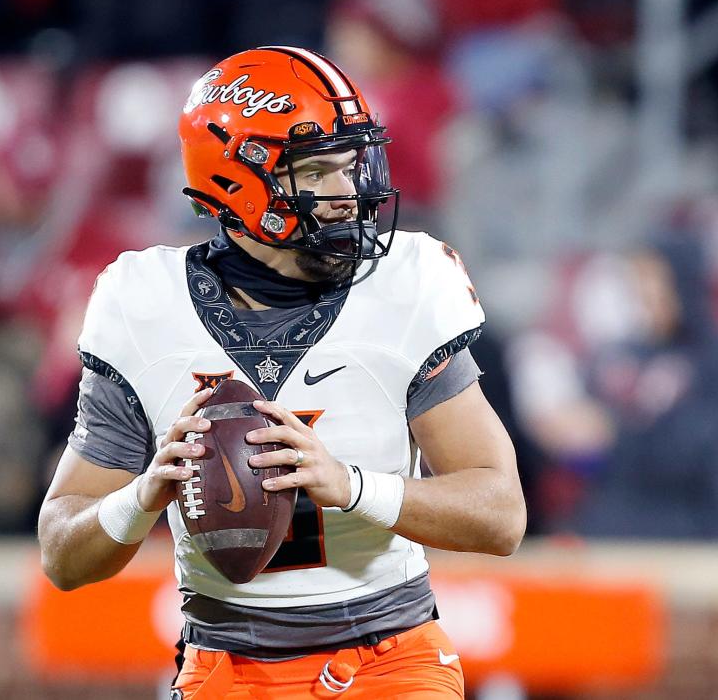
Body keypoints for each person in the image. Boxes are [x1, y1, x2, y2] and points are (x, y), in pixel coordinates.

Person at [37, 46, 526, 699]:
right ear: (236, 179)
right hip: (223, 664)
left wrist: (349, 486)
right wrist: (142, 495)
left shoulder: (405, 286)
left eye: (351, 167)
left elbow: (500, 514)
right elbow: (62, 555)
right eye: (317, 171)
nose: (347, 193)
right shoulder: (141, 305)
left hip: (388, 661)